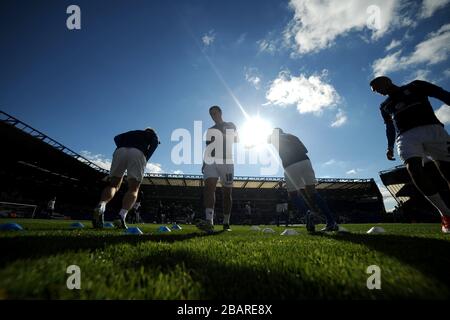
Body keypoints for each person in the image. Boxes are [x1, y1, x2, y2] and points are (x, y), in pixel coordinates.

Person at [370, 76, 450, 233]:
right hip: (406, 136)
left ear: (387, 81)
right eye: (375, 91)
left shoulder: (416, 85)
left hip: (433, 130)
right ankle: (445, 213)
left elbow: (443, 94)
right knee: (413, 169)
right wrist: (389, 146)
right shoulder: (384, 106)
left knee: (447, 171)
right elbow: (390, 127)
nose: (377, 91)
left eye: (377, 86)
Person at [268, 128, 338, 232]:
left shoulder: (273, 137)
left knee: (293, 194)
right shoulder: (293, 136)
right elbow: (305, 150)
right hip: (305, 161)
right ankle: (331, 222)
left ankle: (307, 213)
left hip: (290, 165)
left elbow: (265, 141)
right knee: (312, 192)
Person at [92, 127, 160, 229]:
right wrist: (146, 158)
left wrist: (122, 146)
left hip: (120, 151)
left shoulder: (131, 132)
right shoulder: (151, 135)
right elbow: (155, 143)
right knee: (133, 188)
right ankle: (121, 216)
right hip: (138, 152)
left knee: (113, 185)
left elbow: (116, 138)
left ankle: (101, 205)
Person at [197, 105, 238, 232]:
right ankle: (209, 221)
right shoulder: (210, 130)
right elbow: (208, 147)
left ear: (220, 112)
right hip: (211, 160)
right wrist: (204, 162)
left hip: (226, 160)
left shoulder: (230, 124)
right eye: (211, 114)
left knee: (227, 193)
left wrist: (221, 137)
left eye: (215, 113)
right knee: (209, 188)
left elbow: (236, 139)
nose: (213, 116)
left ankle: (226, 222)